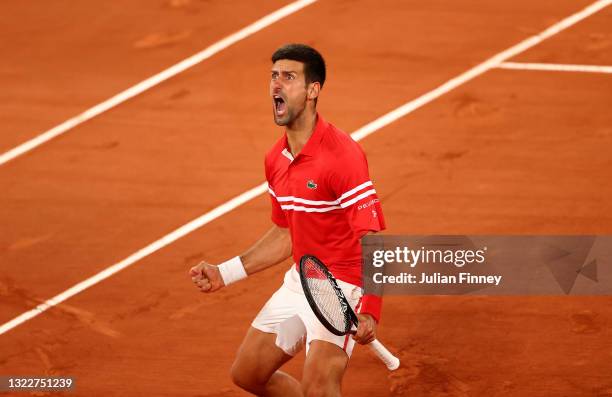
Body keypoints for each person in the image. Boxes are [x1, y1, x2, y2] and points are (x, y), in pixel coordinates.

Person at [190, 43, 386, 397]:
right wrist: (226, 272)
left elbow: (373, 241)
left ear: (313, 91)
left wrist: (370, 309)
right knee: (248, 374)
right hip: (304, 280)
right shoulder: (275, 159)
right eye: (273, 76)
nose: (276, 85)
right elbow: (286, 232)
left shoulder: (342, 156)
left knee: (320, 388)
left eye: (289, 77)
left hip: (344, 287)